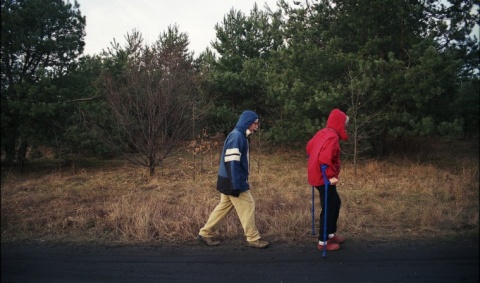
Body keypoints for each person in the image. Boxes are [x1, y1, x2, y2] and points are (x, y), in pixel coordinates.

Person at [197, 110, 270, 249]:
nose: (256, 127)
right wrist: (236, 185)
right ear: (247, 123)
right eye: (255, 124)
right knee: (248, 205)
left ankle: (205, 233)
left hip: (228, 180)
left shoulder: (239, 136)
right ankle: (253, 238)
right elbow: (232, 163)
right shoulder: (237, 137)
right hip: (233, 181)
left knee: (223, 207)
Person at [306, 108, 349, 251]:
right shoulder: (332, 137)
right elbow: (326, 159)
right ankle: (323, 242)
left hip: (317, 174)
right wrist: (331, 176)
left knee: (335, 202)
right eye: (345, 125)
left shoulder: (323, 132)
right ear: (340, 124)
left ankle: (330, 234)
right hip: (324, 177)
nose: (346, 127)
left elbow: (309, 147)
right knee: (329, 206)